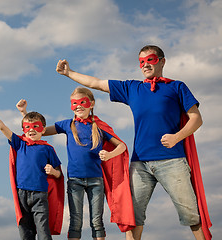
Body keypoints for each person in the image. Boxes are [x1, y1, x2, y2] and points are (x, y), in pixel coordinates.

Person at [55, 45, 212, 240]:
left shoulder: (177, 87)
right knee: (133, 217)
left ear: (162, 61)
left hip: (172, 160)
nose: (145, 64)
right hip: (140, 164)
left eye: (151, 60)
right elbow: (96, 83)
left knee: (191, 214)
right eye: (142, 61)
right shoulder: (132, 88)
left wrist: (176, 137)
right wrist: (69, 73)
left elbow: (196, 118)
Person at [16, 87, 135, 240]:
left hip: (96, 181)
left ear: (91, 104)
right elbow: (39, 130)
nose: (78, 106)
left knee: (96, 221)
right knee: (75, 221)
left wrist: (110, 154)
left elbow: (122, 146)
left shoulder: (99, 126)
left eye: (82, 102)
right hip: (75, 181)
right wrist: (23, 113)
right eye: (74, 103)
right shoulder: (67, 124)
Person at [0, 99, 64, 240]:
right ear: (23, 129)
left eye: (36, 126)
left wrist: (53, 172)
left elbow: (59, 175)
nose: (32, 130)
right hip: (22, 194)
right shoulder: (19, 144)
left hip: (40, 195)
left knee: (43, 233)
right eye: (28, 127)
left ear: (43, 129)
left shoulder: (47, 149)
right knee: (25, 233)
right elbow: (2, 126)